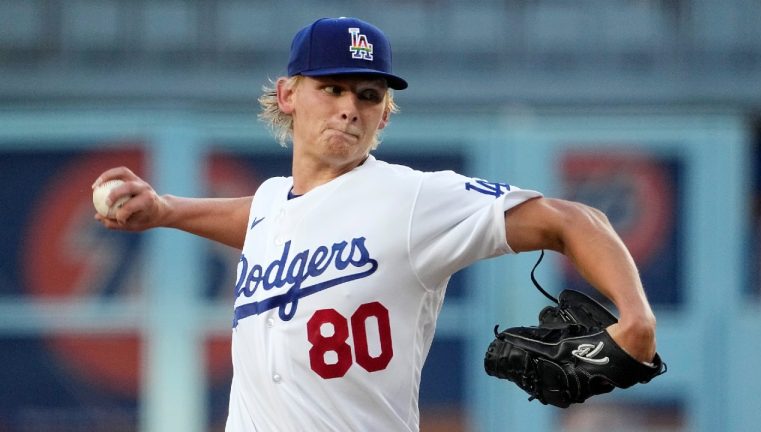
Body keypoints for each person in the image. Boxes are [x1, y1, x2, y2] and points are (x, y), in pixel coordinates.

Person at [93, 17, 657, 432]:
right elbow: (263, 216)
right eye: (331, 88)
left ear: (385, 111)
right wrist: (165, 210)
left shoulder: (412, 199)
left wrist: (635, 322)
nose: (349, 107)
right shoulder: (272, 205)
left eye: (368, 95)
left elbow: (573, 219)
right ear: (289, 94)